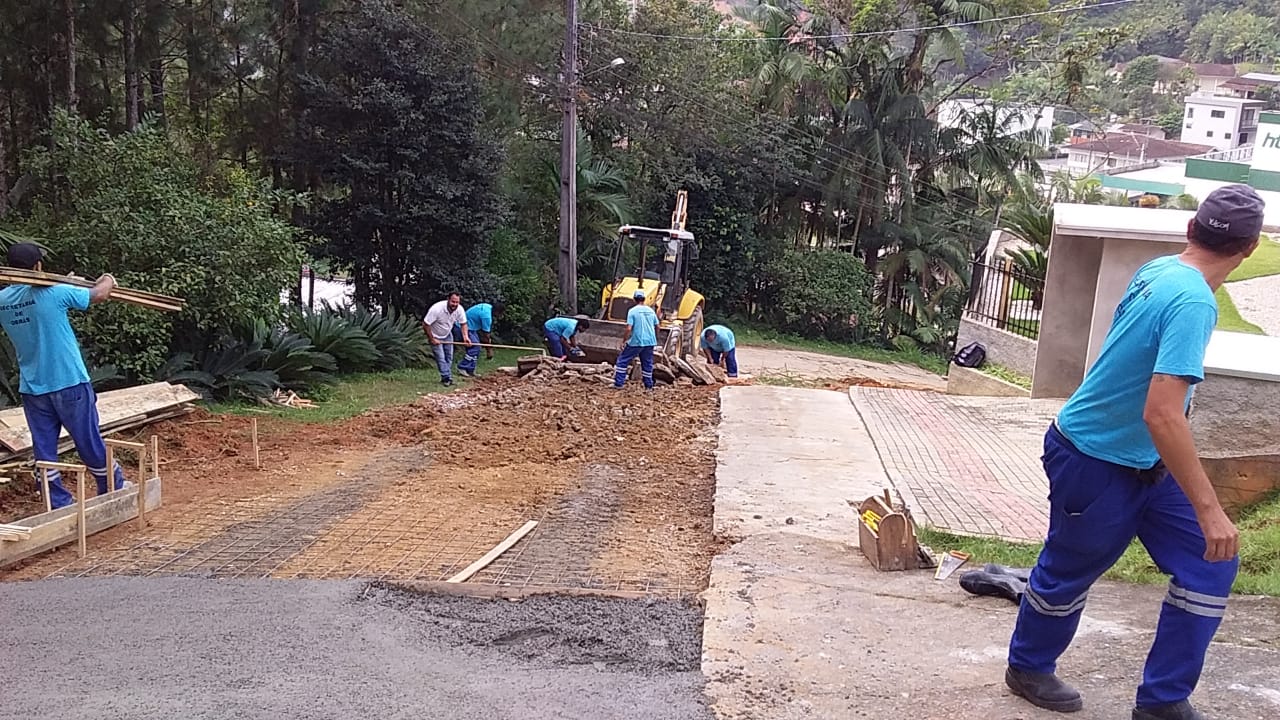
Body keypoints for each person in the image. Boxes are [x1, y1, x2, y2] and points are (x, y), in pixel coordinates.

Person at [1004, 185, 1262, 720]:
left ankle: (1163, 701)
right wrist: (1212, 508)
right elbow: (1162, 412)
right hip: (1094, 458)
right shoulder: (1191, 300)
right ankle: (1027, 666)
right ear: (1251, 248)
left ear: (1191, 229)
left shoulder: (1160, 269)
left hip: (1147, 463)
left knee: (1210, 562)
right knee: (1071, 569)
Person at [0, 243, 127, 508]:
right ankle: (113, 486)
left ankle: (56, 502)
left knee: (44, 448)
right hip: (69, 382)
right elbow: (100, 294)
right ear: (38, 266)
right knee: (88, 439)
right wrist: (108, 278)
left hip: (33, 387)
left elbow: (30, 299)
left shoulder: (3, 301)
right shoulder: (55, 294)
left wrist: (65, 283)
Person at [613, 290, 658, 391]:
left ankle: (618, 383)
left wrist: (624, 341)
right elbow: (657, 326)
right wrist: (655, 337)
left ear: (634, 299)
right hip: (650, 342)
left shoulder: (632, 311)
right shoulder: (651, 311)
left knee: (623, 360)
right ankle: (648, 386)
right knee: (647, 363)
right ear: (644, 299)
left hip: (636, 341)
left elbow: (629, 328)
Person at [422, 292, 470, 386]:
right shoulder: (437, 309)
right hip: (435, 335)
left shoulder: (459, 309)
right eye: (453, 302)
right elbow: (425, 324)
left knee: (449, 357)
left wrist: (465, 337)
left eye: (457, 302)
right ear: (448, 299)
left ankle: (447, 377)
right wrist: (432, 339)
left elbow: (463, 323)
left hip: (447, 335)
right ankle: (446, 378)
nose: (455, 304)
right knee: (441, 358)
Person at [455, 302, 504, 378]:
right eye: (500, 314)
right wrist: (489, 350)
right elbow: (486, 335)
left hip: (471, 328)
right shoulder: (486, 317)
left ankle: (470, 370)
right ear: (497, 312)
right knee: (475, 347)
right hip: (462, 327)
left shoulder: (487, 306)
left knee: (476, 348)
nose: (499, 316)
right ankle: (462, 367)